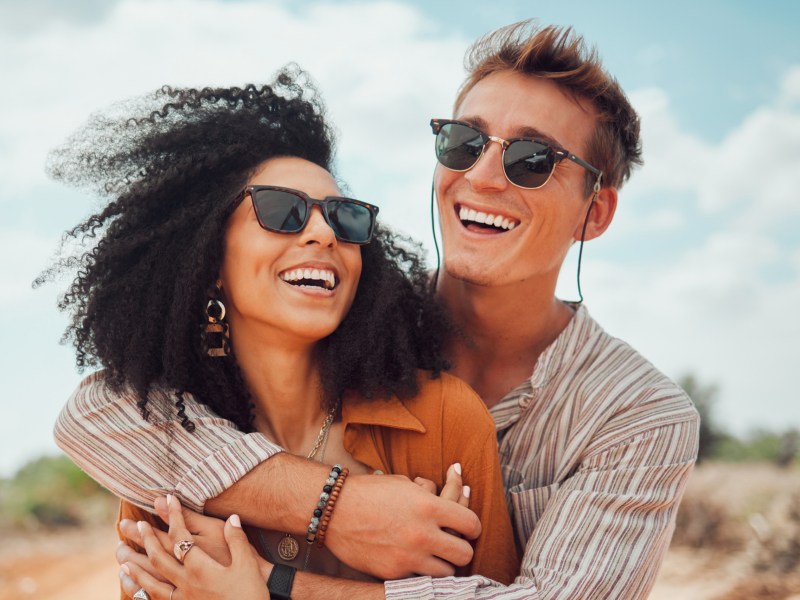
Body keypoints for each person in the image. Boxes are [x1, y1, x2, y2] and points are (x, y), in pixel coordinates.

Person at [55, 21, 699, 599]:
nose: (483, 176)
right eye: (463, 143)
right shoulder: (344, 321)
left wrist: (278, 588)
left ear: (596, 212)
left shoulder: (638, 418)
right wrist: (340, 508)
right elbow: (95, 415)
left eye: (532, 160)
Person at [46, 68, 518, 597]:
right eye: (282, 211)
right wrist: (339, 514)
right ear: (210, 261)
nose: (322, 232)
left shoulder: (443, 423)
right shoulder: (165, 457)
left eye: (345, 218)